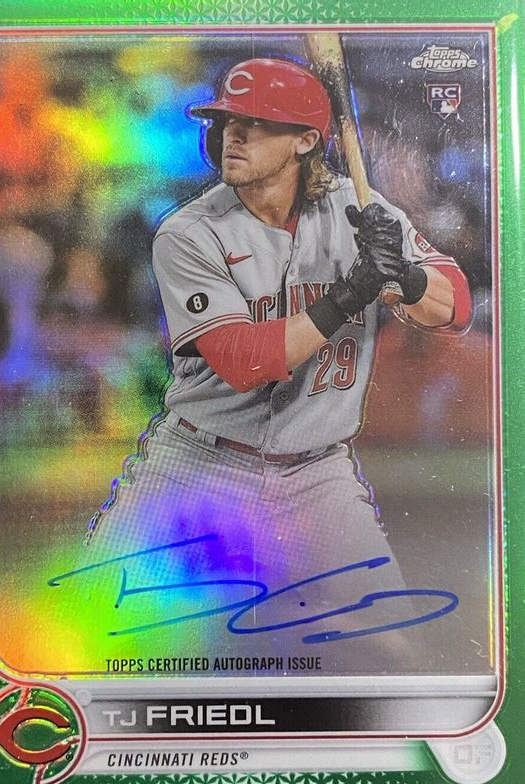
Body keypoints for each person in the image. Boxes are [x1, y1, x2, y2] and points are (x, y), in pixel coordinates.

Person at [85, 58, 471, 675]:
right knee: (93, 634)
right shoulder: (188, 233)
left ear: (306, 141)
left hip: (320, 474)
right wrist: (351, 292)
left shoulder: (359, 209)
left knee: (397, 652)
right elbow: (244, 360)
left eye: (256, 124)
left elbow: (456, 307)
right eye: (226, 121)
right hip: (198, 465)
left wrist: (404, 274)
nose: (232, 136)